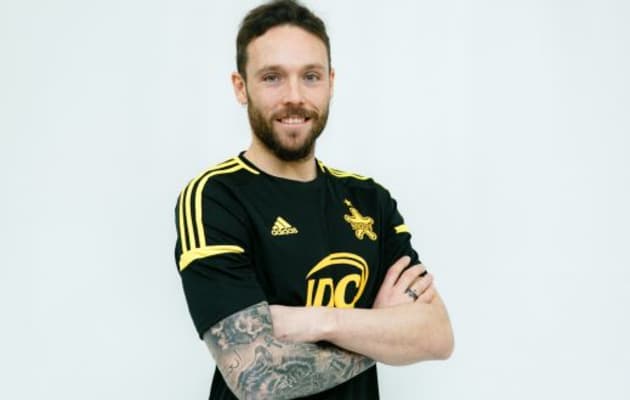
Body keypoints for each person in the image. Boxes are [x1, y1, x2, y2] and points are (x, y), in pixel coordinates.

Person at [174, 1, 454, 398]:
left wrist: (322, 321)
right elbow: (255, 377)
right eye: (272, 77)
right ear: (241, 87)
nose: (294, 96)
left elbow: (437, 335)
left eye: (310, 76)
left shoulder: (370, 201)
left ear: (331, 82)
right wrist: (381, 329)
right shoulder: (215, 197)